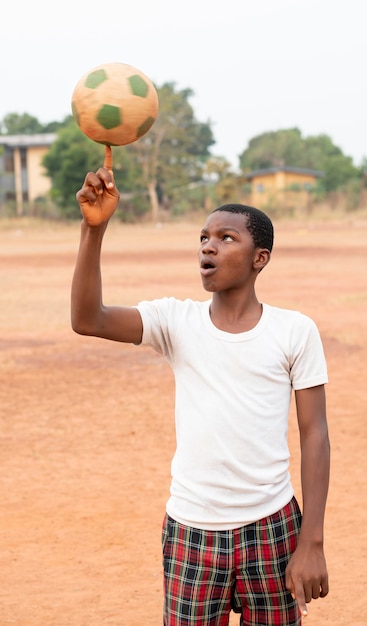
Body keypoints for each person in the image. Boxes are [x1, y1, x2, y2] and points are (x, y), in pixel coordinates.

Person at [71, 151, 330, 626]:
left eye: (226, 238)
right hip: (192, 530)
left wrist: (310, 541)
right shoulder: (177, 321)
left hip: (273, 526)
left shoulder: (295, 331)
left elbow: (315, 433)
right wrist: (94, 230)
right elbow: (88, 319)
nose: (208, 247)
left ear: (260, 258)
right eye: (204, 238)